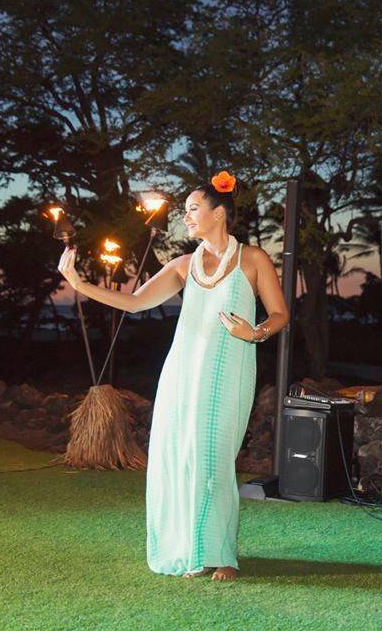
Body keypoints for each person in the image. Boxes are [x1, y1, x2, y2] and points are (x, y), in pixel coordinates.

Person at [57, 170, 288, 581]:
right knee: (180, 458)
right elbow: (132, 303)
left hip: (230, 372)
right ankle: (192, 550)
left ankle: (225, 556)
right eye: (185, 211)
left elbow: (280, 314)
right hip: (182, 373)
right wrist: (79, 283)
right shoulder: (184, 265)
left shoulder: (253, 260)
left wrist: (253, 333)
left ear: (220, 213)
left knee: (213, 459)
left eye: (194, 209)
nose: (187, 217)